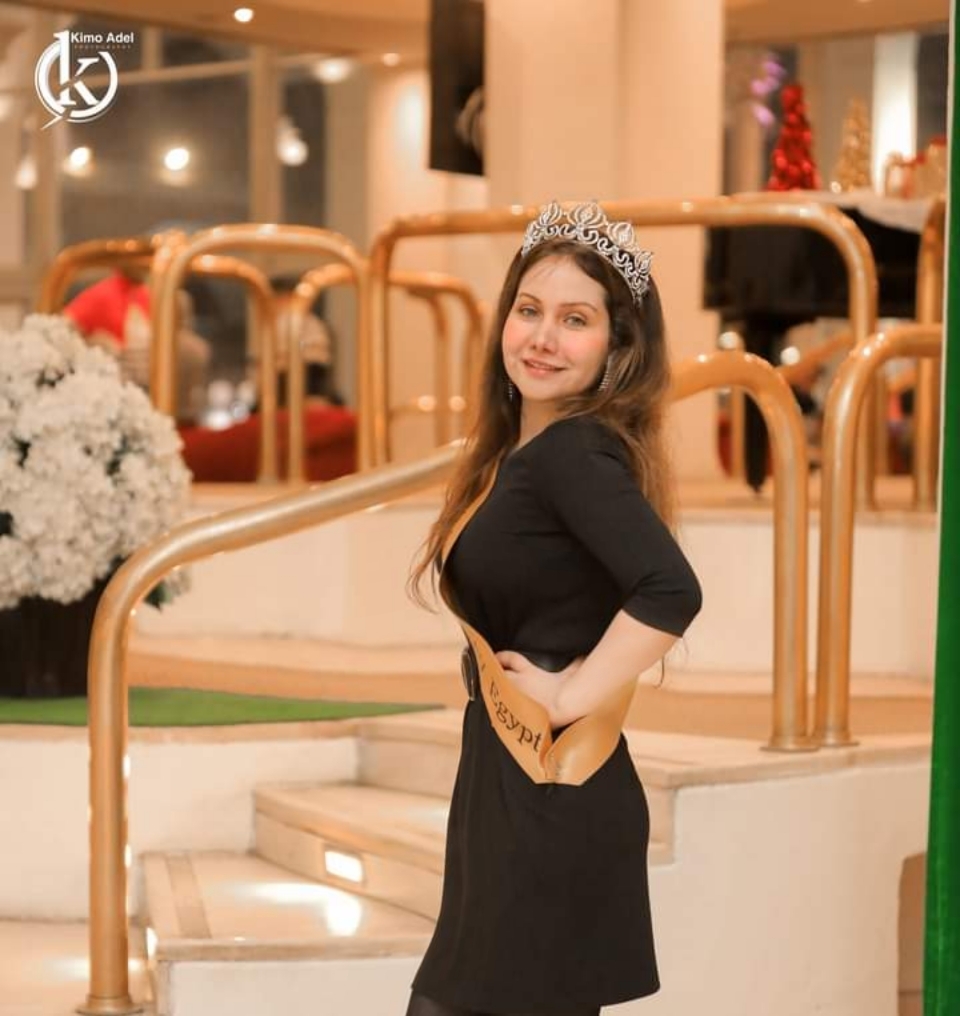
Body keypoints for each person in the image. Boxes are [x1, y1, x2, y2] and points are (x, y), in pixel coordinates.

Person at [406, 200, 703, 1016]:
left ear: (618, 347)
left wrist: (569, 695)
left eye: (575, 320)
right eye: (529, 310)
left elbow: (671, 589)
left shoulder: (572, 453)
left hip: (549, 790)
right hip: (514, 784)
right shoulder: (526, 454)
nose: (542, 337)